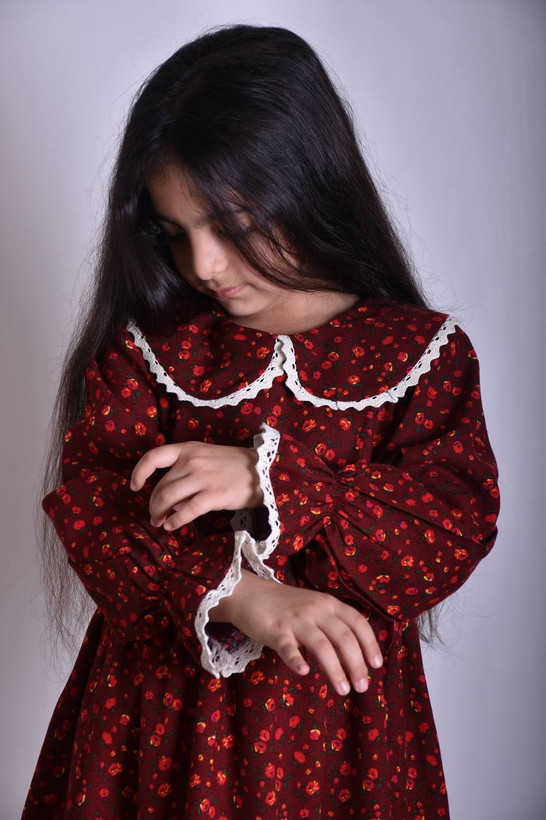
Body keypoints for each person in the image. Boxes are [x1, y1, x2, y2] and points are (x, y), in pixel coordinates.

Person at [22, 23, 500, 819]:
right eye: (176, 233)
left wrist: (268, 478)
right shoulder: (148, 349)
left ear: (308, 183)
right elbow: (95, 514)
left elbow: (450, 526)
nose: (204, 266)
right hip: (158, 729)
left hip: (340, 740)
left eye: (234, 227)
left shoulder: (419, 354)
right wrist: (239, 594)